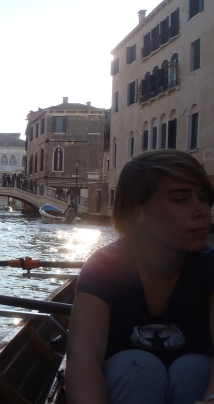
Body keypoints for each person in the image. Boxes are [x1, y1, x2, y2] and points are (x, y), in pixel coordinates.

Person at [66, 150, 214, 404]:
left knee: (192, 369)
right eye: (181, 200)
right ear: (138, 211)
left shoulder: (210, 266)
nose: (202, 211)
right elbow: (84, 357)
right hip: (127, 380)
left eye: (204, 199)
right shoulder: (104, 267)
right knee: (134, 367)